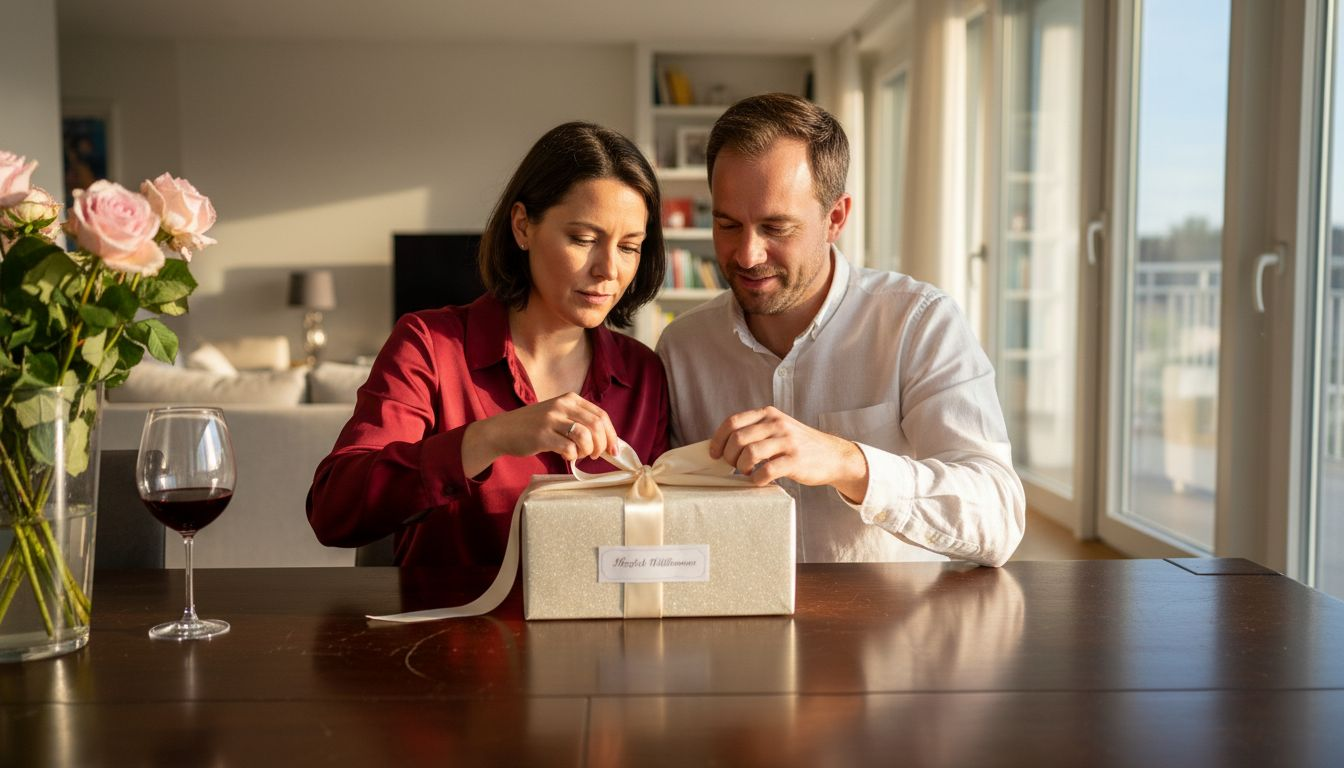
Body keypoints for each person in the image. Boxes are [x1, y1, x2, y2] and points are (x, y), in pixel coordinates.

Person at [655, 94, 1024, 567]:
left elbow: (999, 517)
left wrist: (847, 462)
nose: (747, 254)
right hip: (736, 626)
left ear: (835, 218)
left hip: (896, 629)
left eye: (776, 227)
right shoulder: (682, 348)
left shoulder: (917, 322)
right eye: (728, 224)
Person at [308, 122, 669, 566]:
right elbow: (332, 510)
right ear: (522, 226)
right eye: (583, 239)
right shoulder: (428, 346)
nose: (608, 270)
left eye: (630, 247)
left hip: (601, 630)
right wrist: (488, 438)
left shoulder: (644, 373)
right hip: (450, 631)